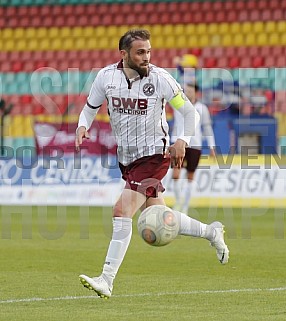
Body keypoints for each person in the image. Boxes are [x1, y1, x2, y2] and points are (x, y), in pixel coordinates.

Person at [75, 29, 229, 299]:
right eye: (140, 52)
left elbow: (189, 111)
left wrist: (182, 139)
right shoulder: (106, 78)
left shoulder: (161, 79)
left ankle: (106, 279)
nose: (146, 57)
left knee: (121, 211)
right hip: (127, 158)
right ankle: (211, 232)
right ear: (124, 54)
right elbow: (90, 107)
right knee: (161, 216)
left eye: (148, 51)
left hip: (155, 156)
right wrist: (82, 126)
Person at [171, 81, 216, 213]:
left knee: (190, 175)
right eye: (186, 90)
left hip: (195, 144)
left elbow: (207, 127)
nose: (187, 92)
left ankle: (185, 205)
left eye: (190, 90)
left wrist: (211, 145)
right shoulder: (177, 104)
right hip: (178, 141)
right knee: (175, 174)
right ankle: (178, 202)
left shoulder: (202, 108)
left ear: (196, 92)